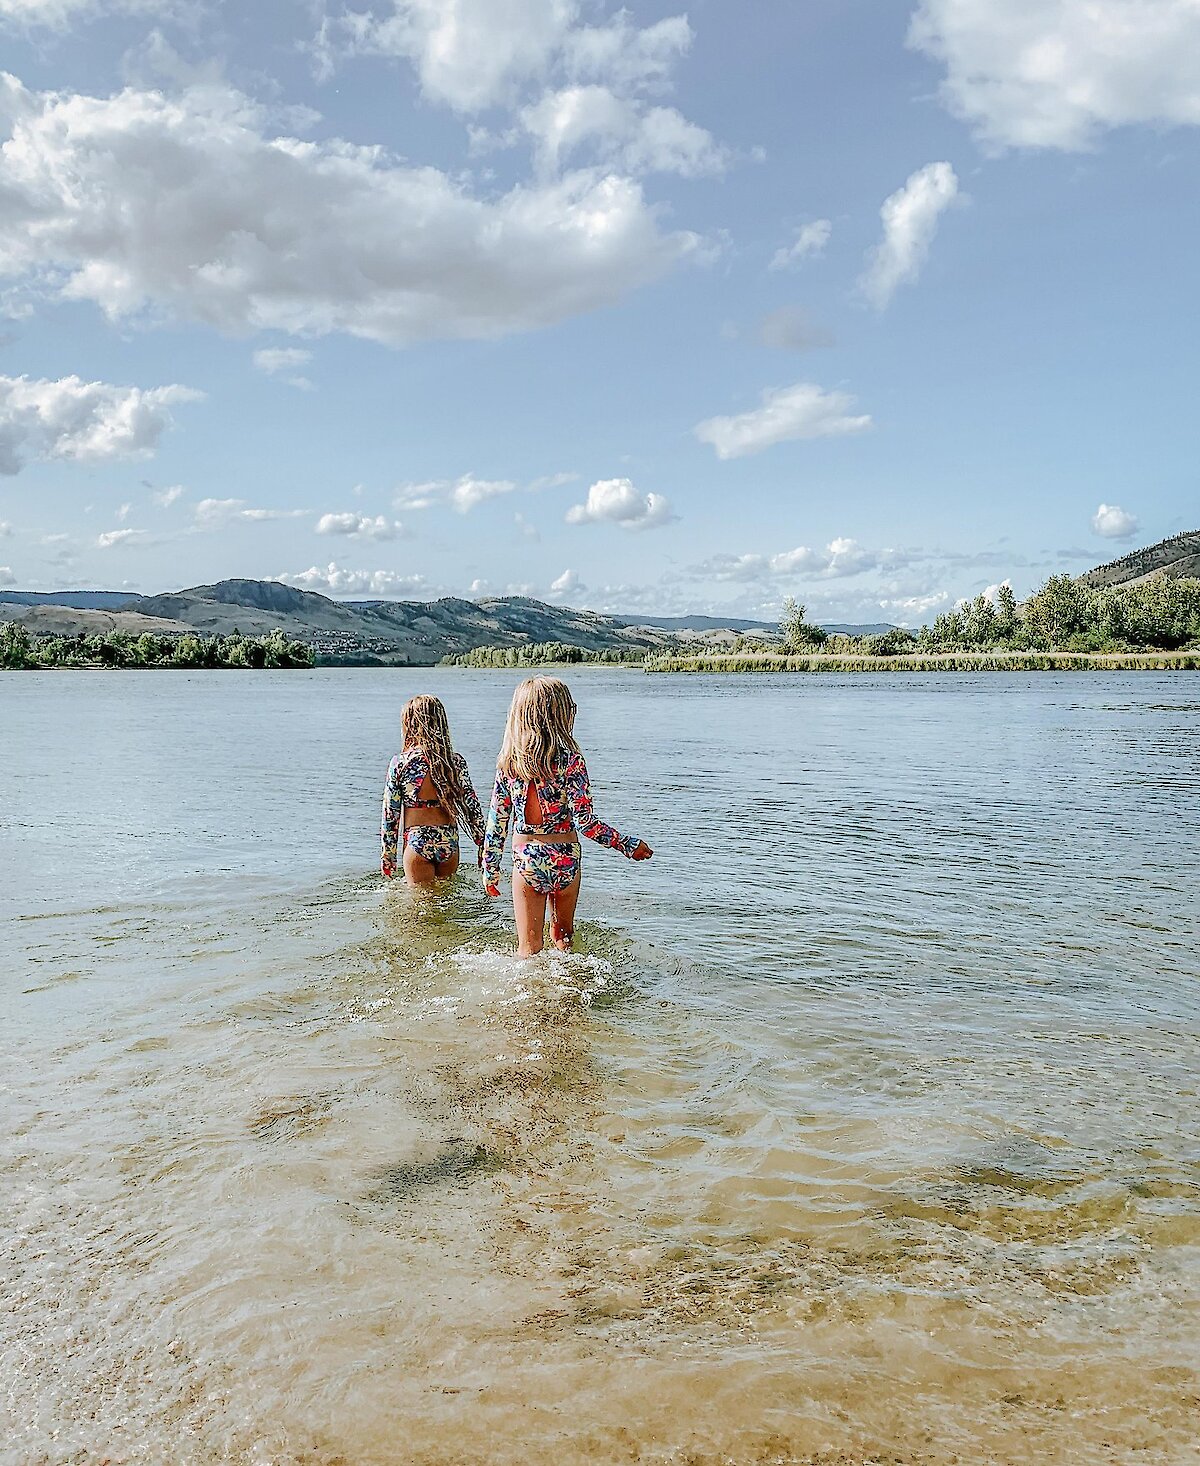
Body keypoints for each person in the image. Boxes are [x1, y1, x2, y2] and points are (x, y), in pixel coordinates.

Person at [482, 676, 652, 957]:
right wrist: (626, 844)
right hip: (565, 858)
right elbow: (586, 822)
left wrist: (491, 869)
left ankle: (531, 998)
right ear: (559, 715)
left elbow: (497, 822)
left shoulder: (509, 764)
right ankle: (568, 994)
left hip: (527, 858)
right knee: (563, 937)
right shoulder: (571, 761)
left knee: (528, 947)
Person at [381, 695, 486, 888]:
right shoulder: (455, 762)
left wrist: (388, 855)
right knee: (446, 901)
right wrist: (483, 844)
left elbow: (391, 814)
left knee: (420, 908)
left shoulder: (401, 763)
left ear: (409, 724)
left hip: (417, 841)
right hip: (449, 842)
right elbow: (472, 806)